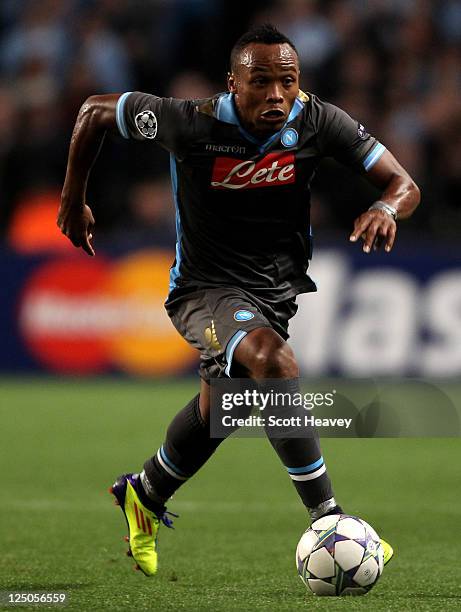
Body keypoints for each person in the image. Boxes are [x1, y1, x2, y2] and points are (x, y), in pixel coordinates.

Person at [58, 24, 420, 576]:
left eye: (288, 82)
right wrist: (72, 200)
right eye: (261, 82)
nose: (277, 95)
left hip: (275, 289)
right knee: (272, 362)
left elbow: (403, 184)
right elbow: (93, 112)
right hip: (203, 290)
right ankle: (329, 518)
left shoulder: (318, 120)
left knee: (223, 409)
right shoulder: (192, 121)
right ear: (233, 84)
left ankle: (145, 494)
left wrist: (387, 209)